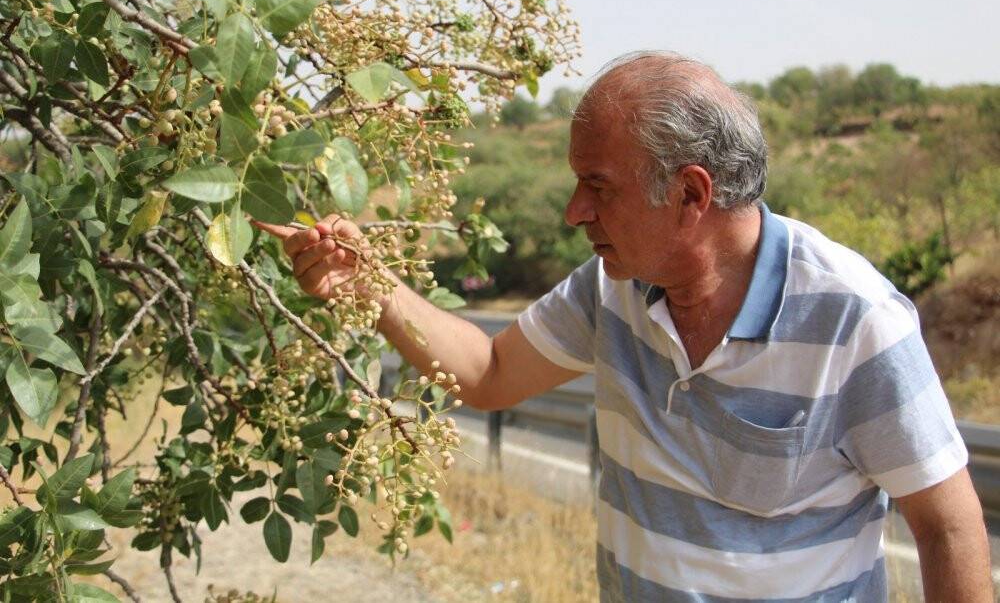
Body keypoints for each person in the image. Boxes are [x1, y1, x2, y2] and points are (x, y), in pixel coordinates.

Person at [255, 51, 993, 601]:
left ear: (690, 193)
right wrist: (371, 284)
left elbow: (950, 528)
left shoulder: (854, 320)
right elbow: (487, 374)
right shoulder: (611, 290)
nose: (575, 211)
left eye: (597, 186)